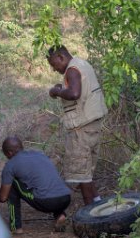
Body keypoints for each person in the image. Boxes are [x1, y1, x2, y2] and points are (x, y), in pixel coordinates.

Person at [46, 45, 108, 206]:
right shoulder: (82, 64)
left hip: (81, 128)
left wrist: (56, 91)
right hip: (92, 123)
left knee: (81, 174)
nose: (54, 69)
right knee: (86, 171)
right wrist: (61, 89)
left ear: (61, 57)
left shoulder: (72, 70)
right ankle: (97, 202)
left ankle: (90, 214)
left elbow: (74, 93)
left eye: (54, 64)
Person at [0, 135, 71, 234]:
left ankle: (16, 227)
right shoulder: (39, 154)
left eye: (6, 155)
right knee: (47, 185)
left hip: (45, 202)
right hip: (65, 198)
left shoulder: (11, 165)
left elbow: (3, 198)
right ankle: (60, 215)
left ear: (9, 153)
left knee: (12, 184)